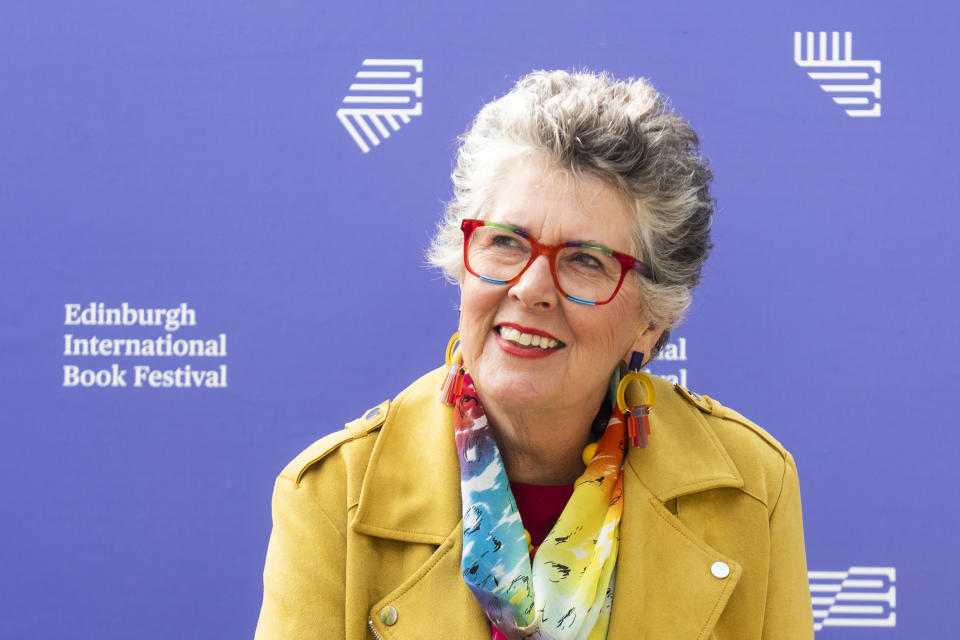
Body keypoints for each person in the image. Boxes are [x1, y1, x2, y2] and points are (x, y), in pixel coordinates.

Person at [255, 70, 814, 639]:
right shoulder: (332, 495)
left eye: (586, 260)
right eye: (505, 241)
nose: (530, 287)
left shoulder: (752, 486)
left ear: (652, 319)